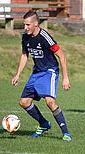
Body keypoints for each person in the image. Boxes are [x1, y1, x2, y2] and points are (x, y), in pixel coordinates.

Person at [11, 10, 72, 141]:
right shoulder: (25, 36)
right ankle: (44, 124)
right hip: (37, 72)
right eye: (24, 24)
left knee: (50, 102)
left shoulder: (45, 37)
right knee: (24, 102)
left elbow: (62, 56)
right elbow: (24, 55)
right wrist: (17, 74)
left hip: (49, 71)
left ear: (36, 24)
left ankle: (66, 133)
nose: (25, 27)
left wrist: (65, 78)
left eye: (28, 25)